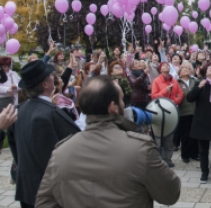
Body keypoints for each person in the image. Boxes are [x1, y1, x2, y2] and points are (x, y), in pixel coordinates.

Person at [35, 76, 181, 208]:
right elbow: (170, 194)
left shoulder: (60, 152)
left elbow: (44, 202)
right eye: (122, 99)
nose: (124, 104)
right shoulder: (140, 149)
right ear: (113, 106)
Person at [7, 60, 80, 208]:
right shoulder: (49, 113)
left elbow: (15, 150)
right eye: (51, 76)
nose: (55, 78)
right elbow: (72, 148)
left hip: (26, 188)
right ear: (45, 84)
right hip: (47, 194)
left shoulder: (19, 110)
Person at [151, 62, 184, 167]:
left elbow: (181, 94)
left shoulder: (174, 81)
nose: (167, 67)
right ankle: (158, 159)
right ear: (160, 69)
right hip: (159, 111)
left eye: (168, 66)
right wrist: (165, 91)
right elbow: (153, 96)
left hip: (171, 111)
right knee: (159, 137)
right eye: (164, 65)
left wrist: (174, 101)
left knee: (169, 137)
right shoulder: (156, 81)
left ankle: (168, 159)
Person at [176, 64, 198, 163]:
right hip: (183, 112)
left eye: (188, 69)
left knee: (195, 134)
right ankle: (185, 155)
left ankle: (195, 154)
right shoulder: (177, 83)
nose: (186, 70)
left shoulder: (195, 81)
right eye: (184, 69)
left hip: (195, 111)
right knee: (185, 135)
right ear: (179, 73)